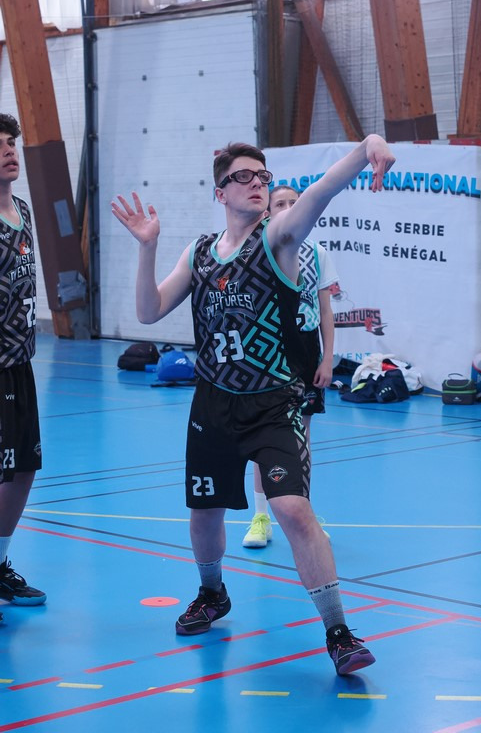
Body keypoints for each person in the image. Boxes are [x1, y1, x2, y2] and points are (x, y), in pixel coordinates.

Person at [112, 135, 395, 675]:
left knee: (292, 509)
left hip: (274, 402)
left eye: (263, 176)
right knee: (204, 516)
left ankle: (338, 632)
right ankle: (212, 592)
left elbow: (320, 193)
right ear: (220, 192)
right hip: (213, 403)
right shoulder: (199, 253)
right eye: (243, 176)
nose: (257, 184)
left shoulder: (278, 239)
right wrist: (147, 246)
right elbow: (148, 312)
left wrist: (366, 149)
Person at [242, 185, 337, 547]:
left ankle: (304, 513)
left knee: (302, 437)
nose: (286, 208)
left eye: (293, 203)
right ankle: (260, 517)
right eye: (279, 203)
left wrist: (327, 359)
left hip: (305, 350)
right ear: (267, 212)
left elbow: (325, 311)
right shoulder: (257, 251)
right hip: (268, 350)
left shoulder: (318, 253)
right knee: (262, 435)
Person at [0, 113, 47, 621]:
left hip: (20, 361)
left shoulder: (25, 211)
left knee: (25, 467)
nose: (10, 151)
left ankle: (0, 561)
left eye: (11, 142)